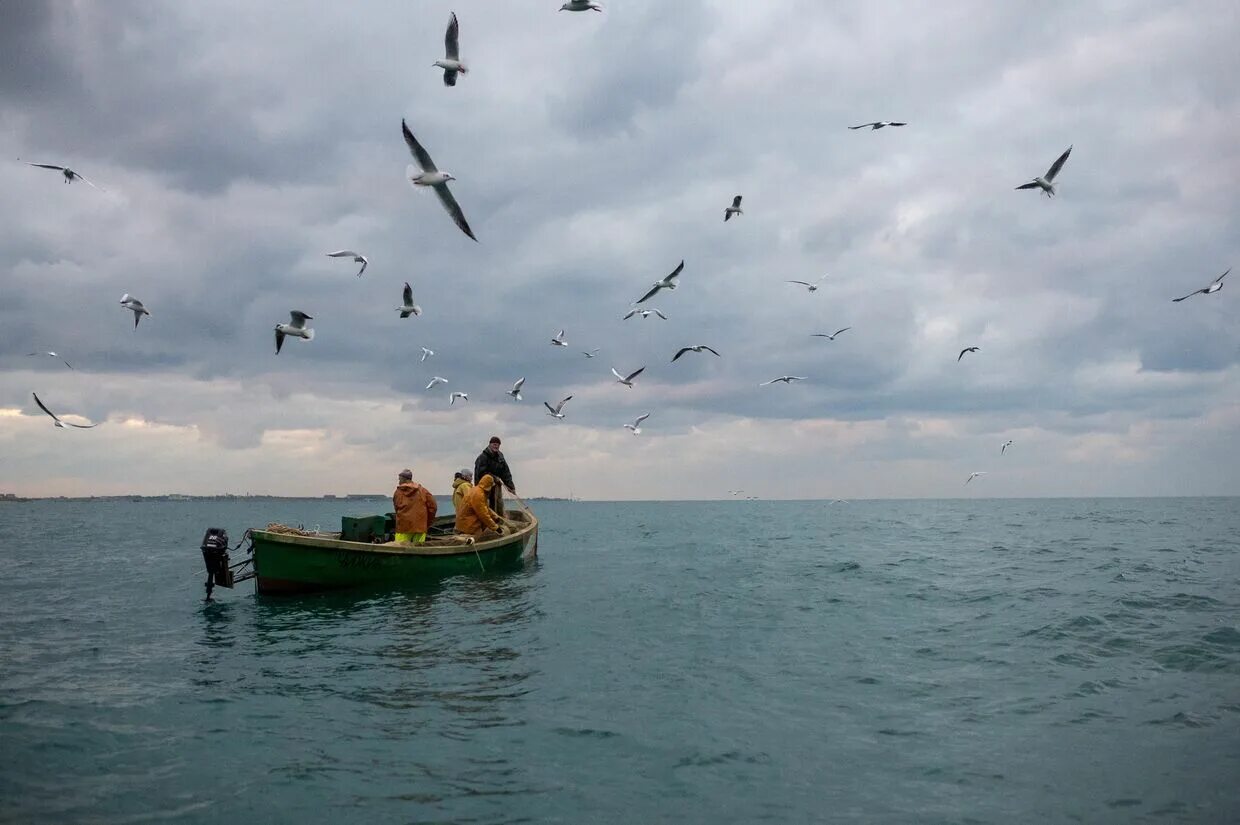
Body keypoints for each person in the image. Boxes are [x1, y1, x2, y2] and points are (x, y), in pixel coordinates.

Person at [474, 436, 516, 518]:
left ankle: (499, 520)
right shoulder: (482, 457)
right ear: (490, 444)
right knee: (486, 505)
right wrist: (494, 478)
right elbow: (481, 473)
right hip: (484, 486)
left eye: (498, 445)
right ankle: (488, 523)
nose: (496, 446)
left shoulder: (500, 456)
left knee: (498, 503)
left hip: (496, 485)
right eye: (494, 444)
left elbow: (505, 472)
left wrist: (511, 486)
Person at [392, 468, 437, 544]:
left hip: (403, 526)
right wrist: (427, 522)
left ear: (405, 479)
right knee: (418, 549)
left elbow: (397, 508)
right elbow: (433, 507)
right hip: (420, 526)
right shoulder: (423, 491)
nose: (399, 482)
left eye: (400, 479)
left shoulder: (398, 492)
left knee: (399, 548)